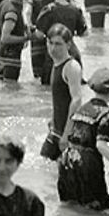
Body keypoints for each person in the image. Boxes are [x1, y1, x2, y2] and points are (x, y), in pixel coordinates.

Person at [58, 68, 109, 211]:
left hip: (67, 159)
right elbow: (101, 145)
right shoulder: (108, 114)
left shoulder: (82, 108)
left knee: (71, 205)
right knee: (100, 207)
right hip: (87, 162)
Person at [39, 25, 83, 161]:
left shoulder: (71, 67)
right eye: (50, 43)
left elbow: (77, 101)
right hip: (56, 130)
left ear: (68, 44)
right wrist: (53, 119)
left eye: (58, 44)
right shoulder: (56, 63)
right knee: (46, 171)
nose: (53, 48)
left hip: (67, 134)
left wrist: (66, 134)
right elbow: (60, 98)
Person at [34, 0, 87, 84]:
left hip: (54, 55)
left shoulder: (48, 10)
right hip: (71, 51)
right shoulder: (76, 10)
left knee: (50, 89)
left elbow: (39, 34)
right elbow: (85, 33)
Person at [0, 0, 32, 82]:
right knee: (10, 89)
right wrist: (25, 38)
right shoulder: (12, 11)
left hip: (2, 53)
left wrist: (23, 27)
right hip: (10, 56)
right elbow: (5, 37)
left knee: (4, 86)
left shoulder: (5, 3)